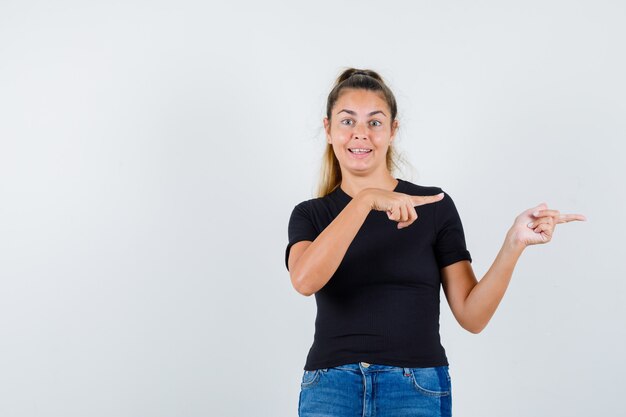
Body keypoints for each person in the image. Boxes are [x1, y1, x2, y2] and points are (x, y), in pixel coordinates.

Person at [284, 68, 586, 417]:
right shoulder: (310, 214)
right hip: (331, 389)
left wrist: (513, 244)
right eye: (348, 121)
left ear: (393, 130)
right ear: (328, 130)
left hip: (416, 387)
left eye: (375, 122)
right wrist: (366, 199)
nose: (361, 134)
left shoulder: (433, 207)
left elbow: (472, 316)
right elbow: (304, 280)